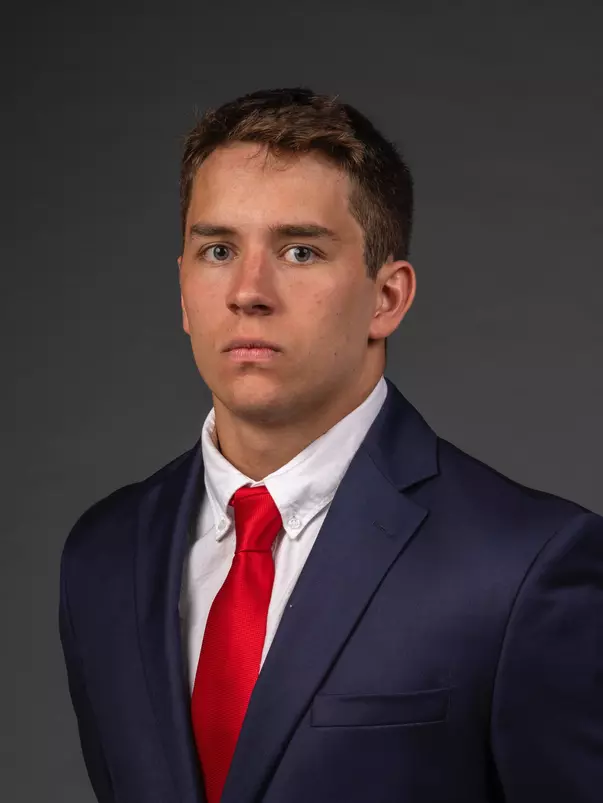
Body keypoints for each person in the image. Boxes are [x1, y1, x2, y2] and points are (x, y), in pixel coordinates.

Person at [59, 87, 603, 803]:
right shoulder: (103, 553)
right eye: (218, 249)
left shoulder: (525, 567)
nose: (248, 291)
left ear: (387, 298)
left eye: (299, 250)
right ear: (184, 291)